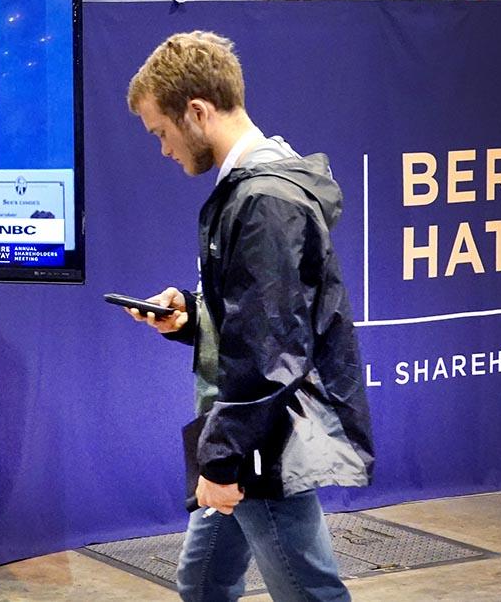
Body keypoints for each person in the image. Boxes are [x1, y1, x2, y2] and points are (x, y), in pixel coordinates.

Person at [123, 31, 373, 601]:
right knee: (203, 583)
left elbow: (270, 350)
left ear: (197, 112)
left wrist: (223, 458)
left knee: (309, 592)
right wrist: (192, 319)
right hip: (244, 429)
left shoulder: (264, 202)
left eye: (162, 132)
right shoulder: (251, 189)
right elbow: (257, 318)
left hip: (263, 434)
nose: (164, 149)